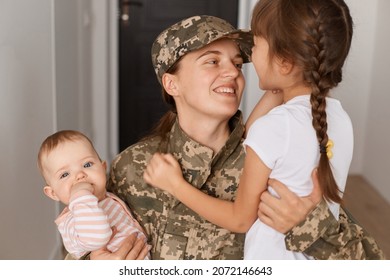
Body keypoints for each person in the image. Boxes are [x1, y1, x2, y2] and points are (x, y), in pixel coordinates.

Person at [107, 15, 384, 260]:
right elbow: (84, 243)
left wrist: (309, 226)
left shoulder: (276, 158)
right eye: (212, 61)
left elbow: (369, 263)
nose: (232, 73)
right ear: (172, 83)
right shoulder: (133, 168)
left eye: (238, 64)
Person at [37, 130, 150, 259]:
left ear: (103, 168)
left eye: (87, 164)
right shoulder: (72, 220)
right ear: (53, 193)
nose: (80, 175)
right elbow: (97, 238)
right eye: (65, 174)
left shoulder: (108, 198)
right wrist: (80, 195)